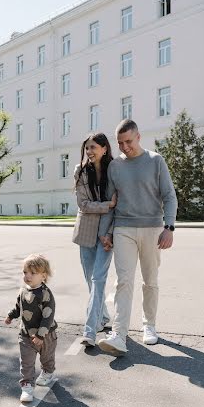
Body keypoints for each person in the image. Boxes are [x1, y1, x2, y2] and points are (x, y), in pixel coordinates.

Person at [97, 119, 177, 356]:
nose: (124, 147)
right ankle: (119, 334)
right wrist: (106, 231)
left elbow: (169, 196)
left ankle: (149, 325)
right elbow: (111, 203)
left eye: (128, 141)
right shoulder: (115, 167)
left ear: (139, 137)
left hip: (152, 229)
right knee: (123, 280)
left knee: (150, 280)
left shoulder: (155, 161)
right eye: (120, 143)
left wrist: (169, 228)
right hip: (124, 228)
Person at [72, 133, 116, 347]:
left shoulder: (115, 170)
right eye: (87, 148)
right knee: (91, 281)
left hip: (106, 234)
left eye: (93, 147)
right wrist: (107, 205)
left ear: (104, 149)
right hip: (86, 233)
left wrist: (110, 232)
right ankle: (105, 317)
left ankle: (90, 330)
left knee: (98, 280)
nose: (89, 152)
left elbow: (121, 206)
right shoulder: (79, 171)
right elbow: (83, 205)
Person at [5, 254, 57, 403]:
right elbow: (18, 307)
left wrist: (41, 335)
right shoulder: (23, 291)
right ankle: (27, 386)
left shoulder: (45, 294)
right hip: (26, 334)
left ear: (43, 276)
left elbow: (48, 316)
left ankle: (48, 372)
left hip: (46, 335)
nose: (27, 276)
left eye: (32, 273)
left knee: (47, 357)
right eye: (25, 272)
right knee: (26, 361)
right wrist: (11, 316)